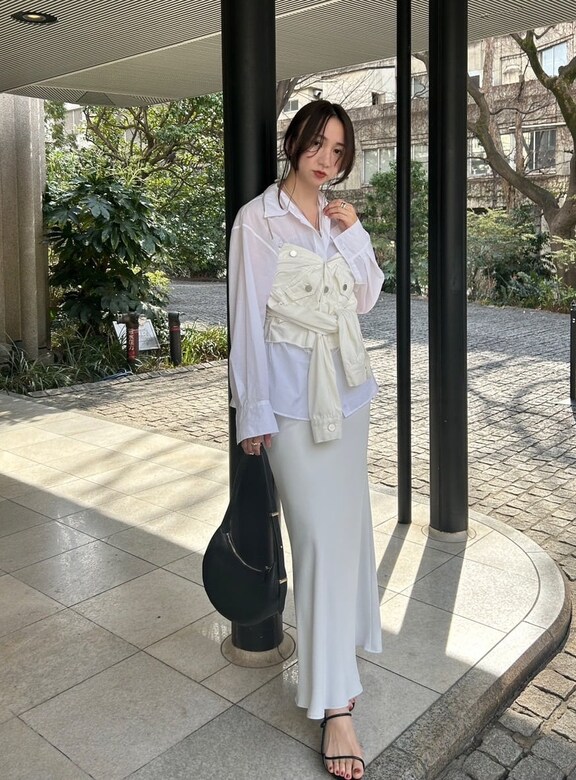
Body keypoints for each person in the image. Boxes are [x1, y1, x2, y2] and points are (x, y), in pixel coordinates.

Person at [228, 99, 383, 780]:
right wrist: (253, 413)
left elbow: (366, 297)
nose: (326, 160)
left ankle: (339, 665)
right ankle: (334, 706)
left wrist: (354, 235)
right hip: (292, 406)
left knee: (346, 536)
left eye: (338, 150)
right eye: (317, 144)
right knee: (316, 541)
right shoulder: (258, 221)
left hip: (348, 397)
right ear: (294, 142)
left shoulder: (337, 217)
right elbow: (246, 319)